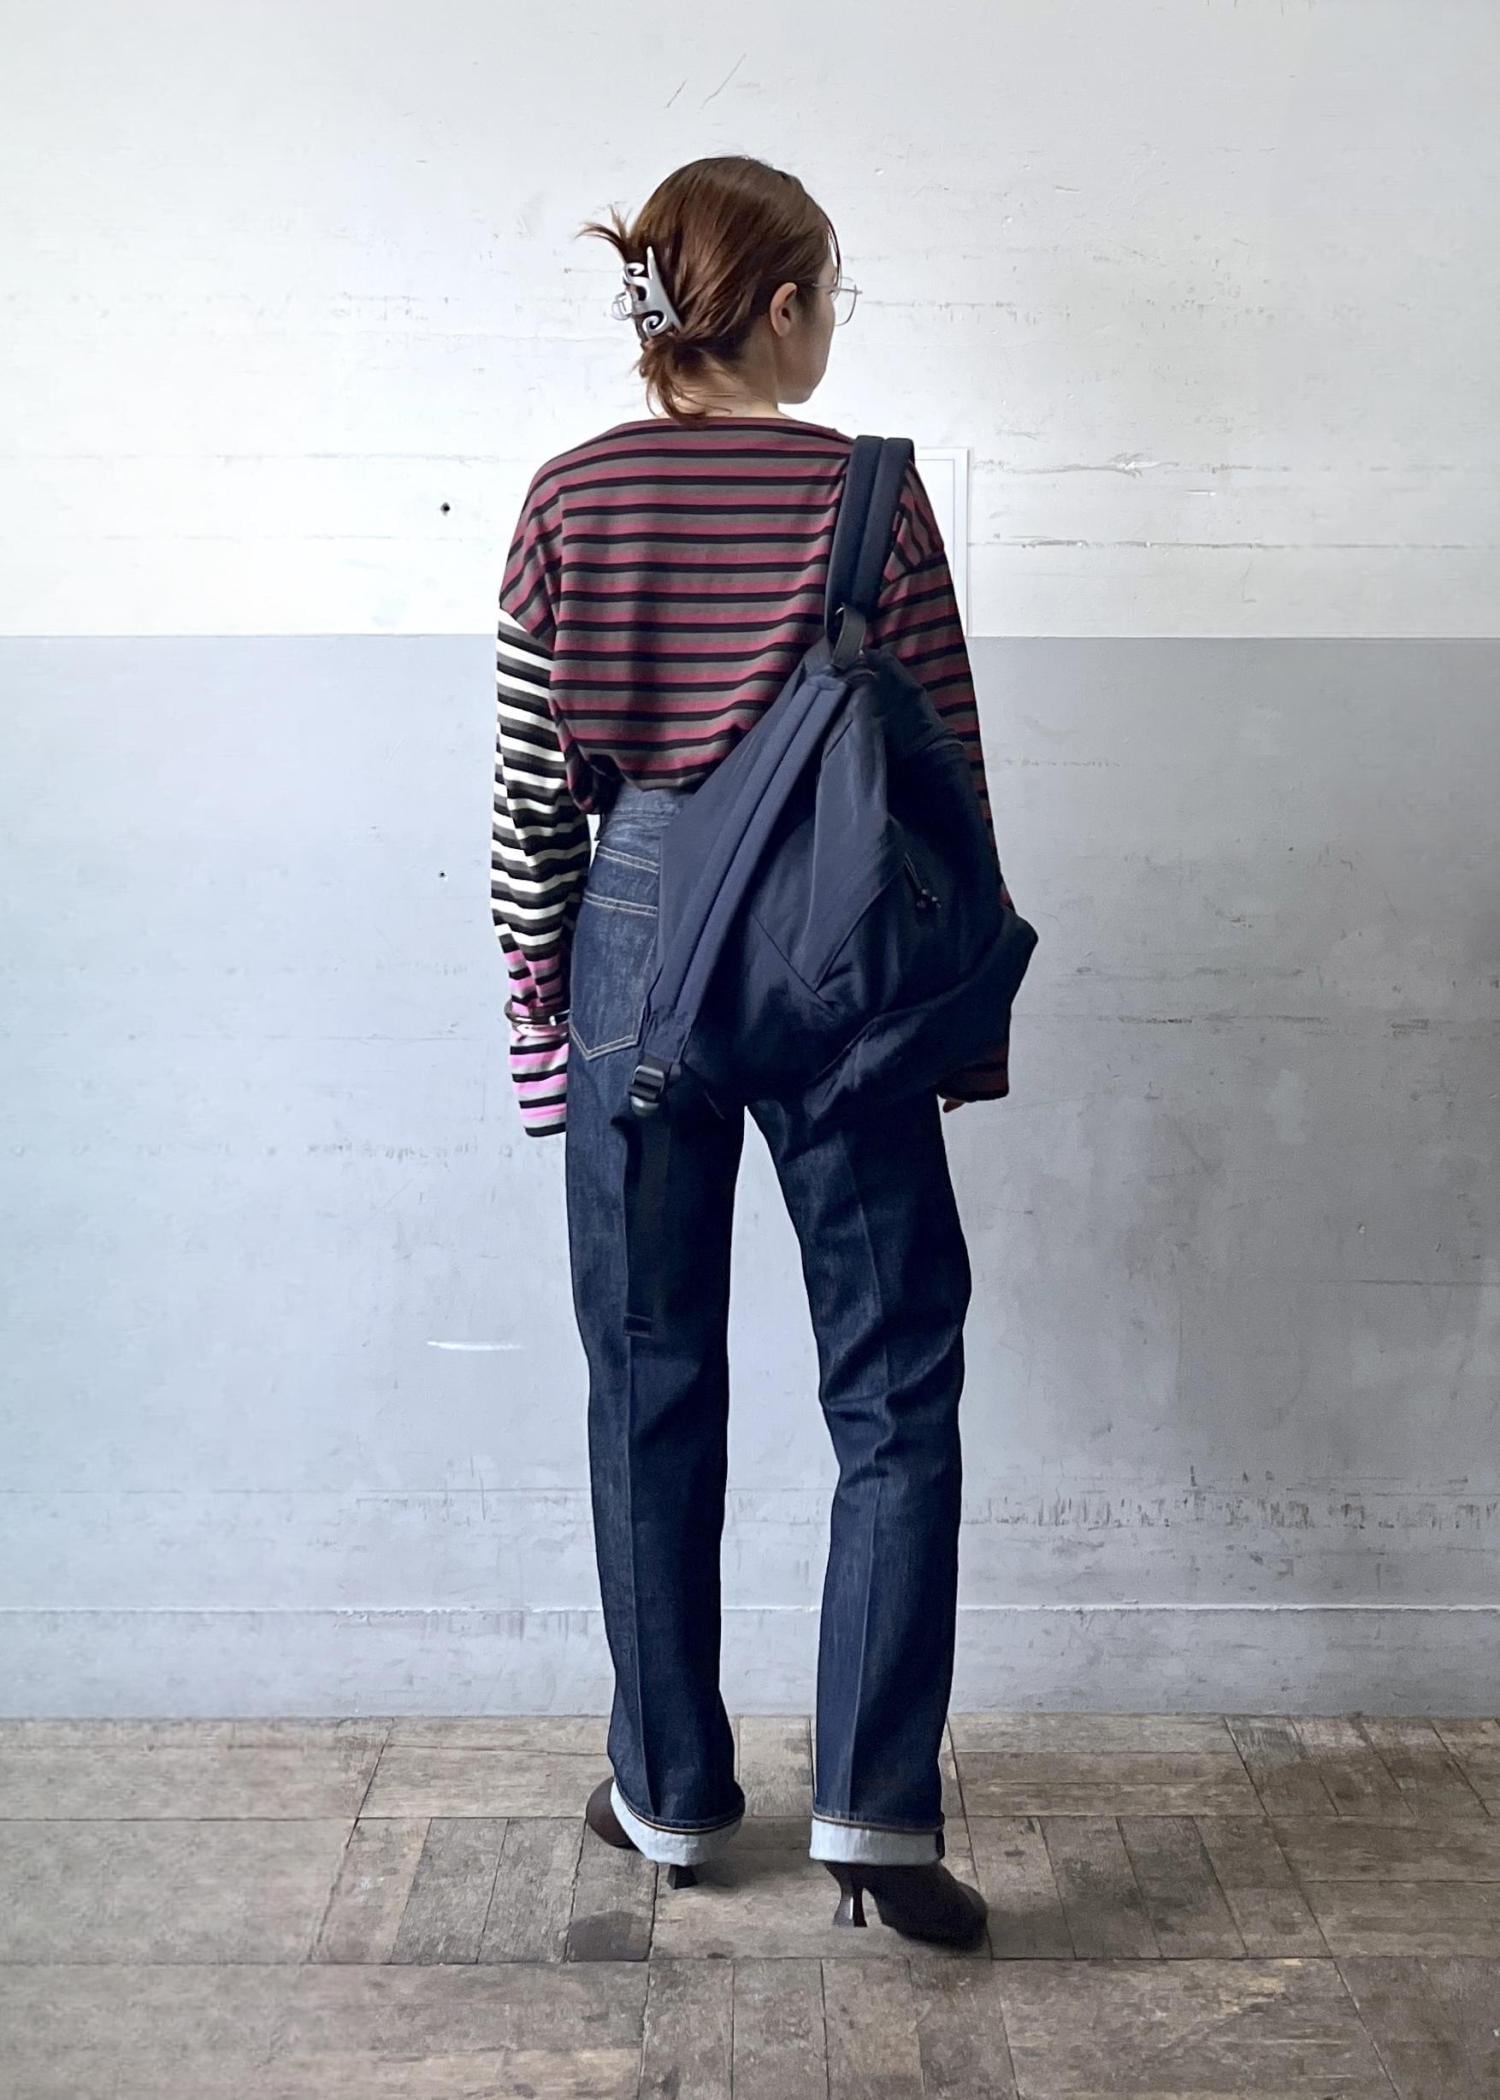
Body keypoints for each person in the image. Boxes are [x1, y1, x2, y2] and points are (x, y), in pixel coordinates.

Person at [491, 155, 1018, 1948]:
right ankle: (876, 1814)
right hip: (840, 959)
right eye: (830, 294)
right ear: (781, 308)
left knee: (646, 1380)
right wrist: (958, 1030)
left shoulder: (567, 497)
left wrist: (545, 1033)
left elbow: (531, 805)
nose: (831, 325)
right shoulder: (874, 495)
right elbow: (940, 781)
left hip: (634, 952)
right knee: (895, 1385)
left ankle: (669, 1791)